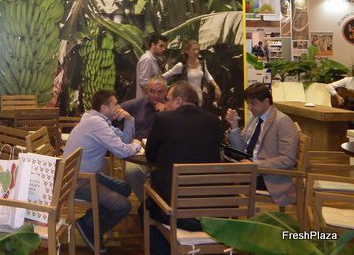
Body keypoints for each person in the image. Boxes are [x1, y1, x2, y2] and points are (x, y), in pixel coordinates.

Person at [63, 89, 142, 253]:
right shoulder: (96, 123)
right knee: (123, 206)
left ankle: (90, 220)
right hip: (77, 180)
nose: (119, 107)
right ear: (104, 108)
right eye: (115, 104)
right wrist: (136, 145)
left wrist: (129, 119)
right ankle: (90, 227)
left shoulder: (97, 120)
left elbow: (124, 140)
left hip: (86, 175)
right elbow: (122, 151)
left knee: (125, 188)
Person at [145, 81, 223, 230]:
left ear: (178, 101)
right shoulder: (214, 120)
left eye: (168, 100)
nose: (166, 104)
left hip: (176, 208)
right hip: (213, 207)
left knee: (147, 208)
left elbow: (150, 155)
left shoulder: (163, 119)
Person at [226, 83, 299, 206]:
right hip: (250, 167)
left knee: (223, 178)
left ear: (266, 101)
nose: (249, 107)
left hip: (268, 176)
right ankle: (228, 213)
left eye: (253, 103)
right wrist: (234, 126)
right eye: (248, 103)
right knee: (219, 171)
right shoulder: (255, 118)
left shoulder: (283, 121)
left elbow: (287, 159)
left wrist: (255, 165)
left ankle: (228, 213)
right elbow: (241, 148)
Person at [120, 76, 167, 204]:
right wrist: (122, 137)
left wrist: (166, 113)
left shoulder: (171, 108)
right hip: (139, 152)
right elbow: (112, 113)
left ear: (166, 91)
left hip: (163, 153)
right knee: (132, 172)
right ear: (147, 90)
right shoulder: (135, 104)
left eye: (160, 92)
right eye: (152, 91)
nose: (156, 95)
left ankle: (163, 205)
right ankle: (148, 205)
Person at [162, 40, 221, 107]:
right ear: (187, 51)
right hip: (186, 98)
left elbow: (207, 74)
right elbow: (164, 76)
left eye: (197, 49)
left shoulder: (202, 63)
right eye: (193, 50)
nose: (196, 52)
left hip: (199, 96)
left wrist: (216, 86)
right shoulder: (182, 66)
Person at [136, 33, 167, 99]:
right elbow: (143, 83)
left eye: (164, 47)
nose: (163, 49)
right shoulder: (147, 59)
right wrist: (155, 97)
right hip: (146, 101)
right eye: (161, 46)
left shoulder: (152, 59)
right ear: (153, 45)